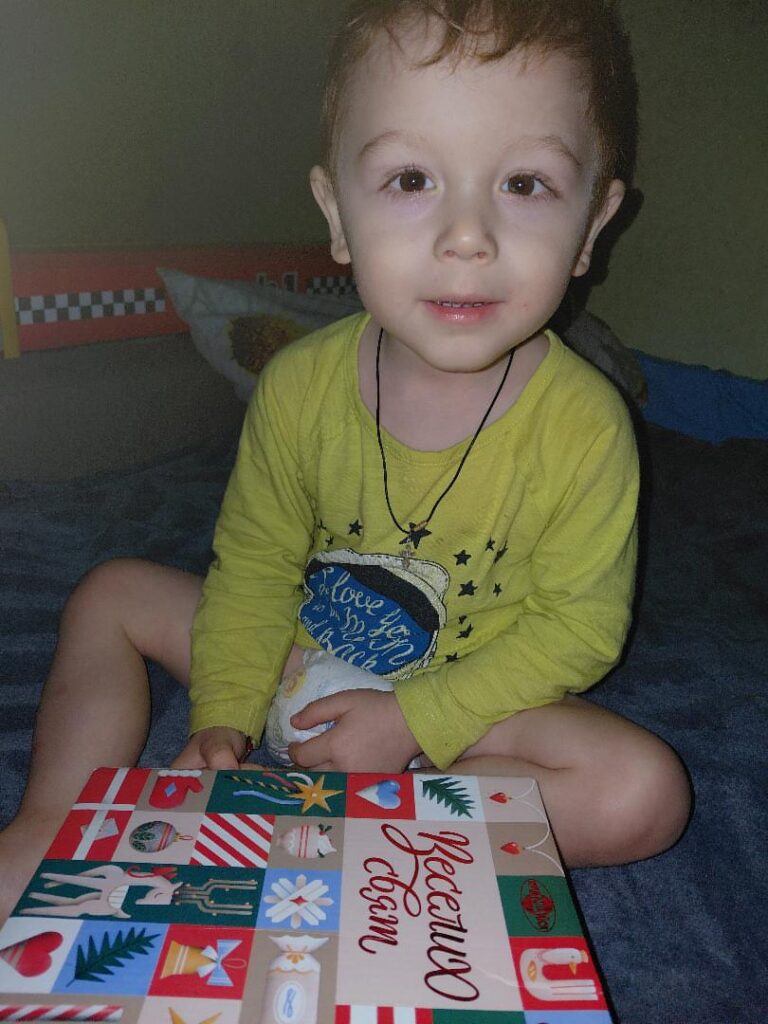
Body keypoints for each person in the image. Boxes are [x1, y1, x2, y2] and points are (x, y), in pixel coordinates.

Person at [0, 0, 691, 922]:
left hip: (463, 704)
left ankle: (380, 825)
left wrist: (412, 722)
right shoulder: (296, 386)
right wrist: (223, 717)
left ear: (593, 225)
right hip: (294, 656)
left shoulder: (588, 427)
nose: (467, 235)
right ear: (336, 213)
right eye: (411, 178)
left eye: (524, 184)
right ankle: (52, 822)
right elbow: (254, 567)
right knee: (112, 591)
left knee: (646, 791)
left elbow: (578, 631)